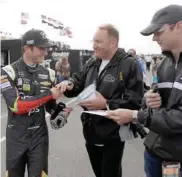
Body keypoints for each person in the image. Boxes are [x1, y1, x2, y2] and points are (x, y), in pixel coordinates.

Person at [56, 24, 144, 177]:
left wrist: (106, 104)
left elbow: (136, 102)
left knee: (110, 173)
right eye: (93, 41)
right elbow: (77, 81)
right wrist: (68, 84)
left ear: (113, 43)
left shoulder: (129, 64)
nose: (93, 45)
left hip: (113, 133)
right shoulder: (93, 61)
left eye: (98, 42)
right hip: (90, 130)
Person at [105, 4, 182, 177]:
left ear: (178, 27)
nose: (154, 38)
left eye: (159, 32)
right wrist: (149, 99)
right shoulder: (164, 64)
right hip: (155, 153)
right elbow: (160, 105)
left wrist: (135, 116)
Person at [1, 29, 72, 177]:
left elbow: (49, 106)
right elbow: (16, 106)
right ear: (27, 48)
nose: (45, 52)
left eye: (46, 48)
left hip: (39, 138)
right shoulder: (7, 72)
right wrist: (48, 94)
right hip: (16, 139)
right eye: (41, 48)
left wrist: (59, 112)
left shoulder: (49, 73)